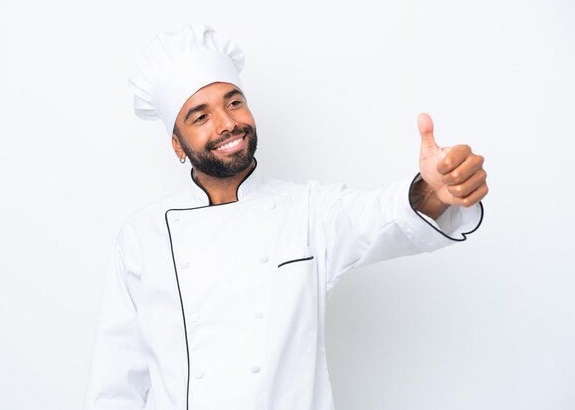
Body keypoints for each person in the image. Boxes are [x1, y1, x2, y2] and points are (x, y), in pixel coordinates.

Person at [84, 24, 488, 410]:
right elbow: (116, 383)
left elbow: (383, 215)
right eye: (201, 116)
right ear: (177, 144)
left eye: (234, 102)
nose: (228, 124)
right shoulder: (143, 236)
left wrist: (434, 191)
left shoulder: (308, 210)